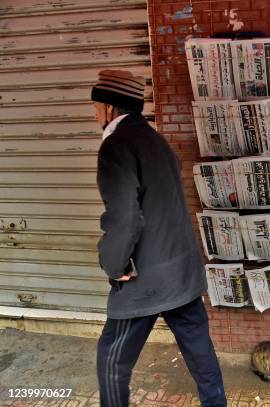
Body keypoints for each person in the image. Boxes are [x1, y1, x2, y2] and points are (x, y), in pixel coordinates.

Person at [91, 69, 226, 407]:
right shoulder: (155, 140)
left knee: (112, 359)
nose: (93, 113)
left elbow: (124, 216)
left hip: (146, 278)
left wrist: (113, 265)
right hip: (182, 272)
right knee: (200, 355)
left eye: (96, 106)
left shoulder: (116, 146)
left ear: (110, 108)